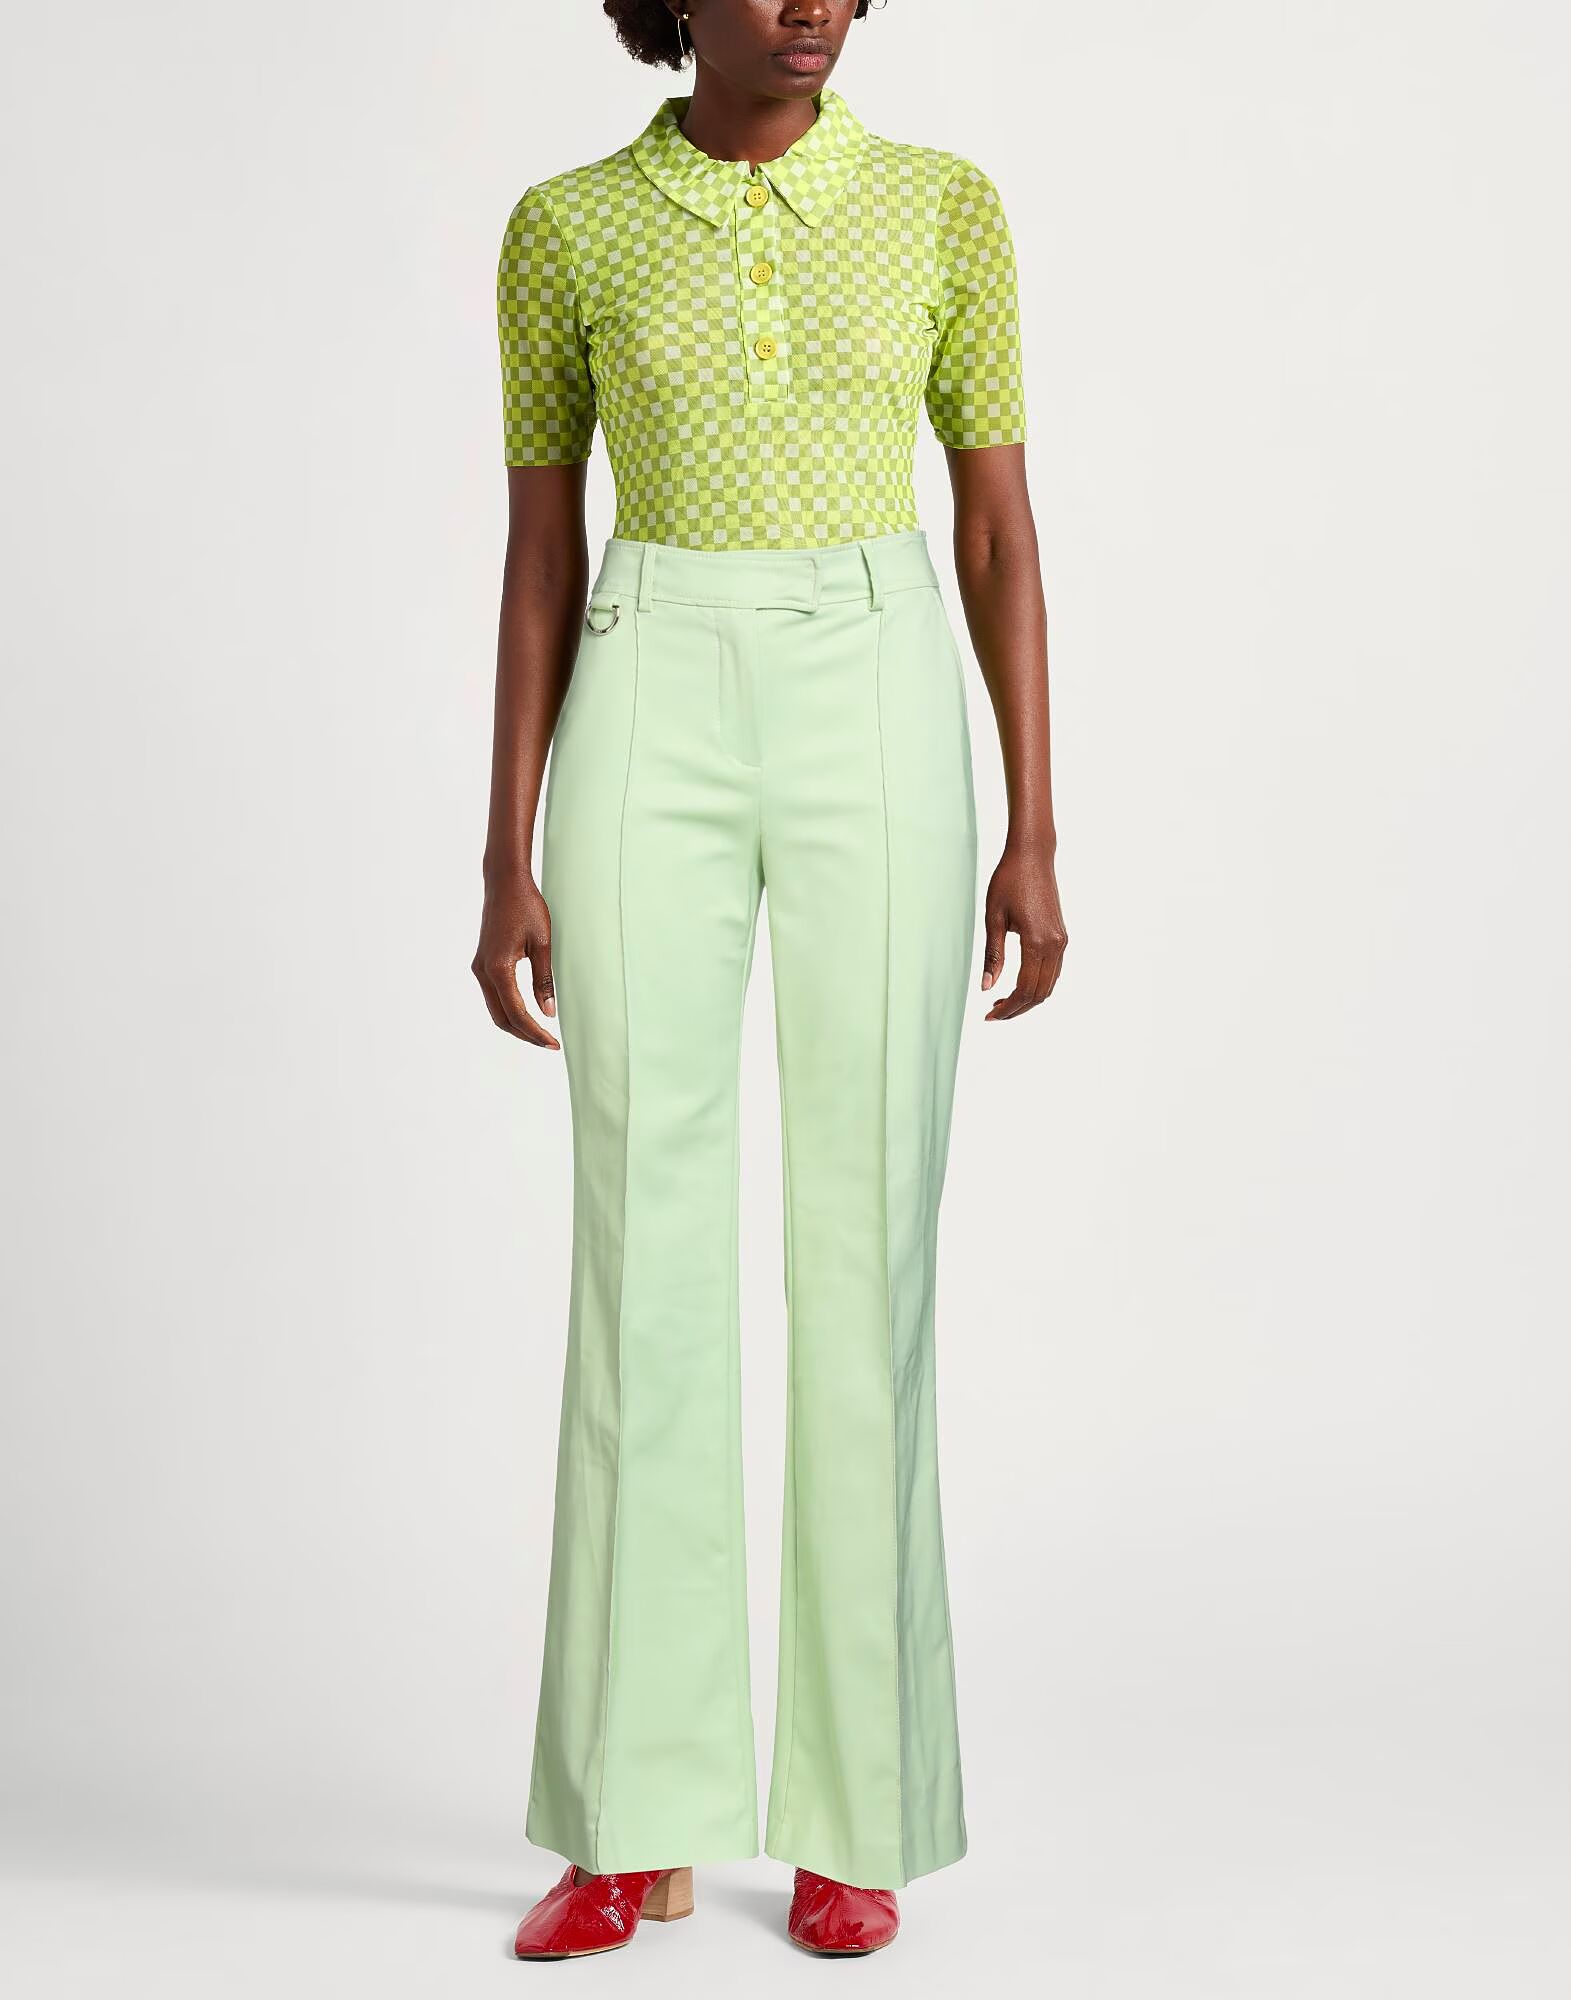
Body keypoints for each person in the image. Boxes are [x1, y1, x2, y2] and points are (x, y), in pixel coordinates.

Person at [473, 0, 1066, 1961]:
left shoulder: (944, 208)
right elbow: (540, 548)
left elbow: (997, 528)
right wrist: (503, 847)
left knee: (865, 1240)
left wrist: (1036, 825)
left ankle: (854, 1811)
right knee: (641, 1245)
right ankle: (629, 1816)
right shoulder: (566, 227)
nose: (812, 4)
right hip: (646, 676)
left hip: (875, 679)